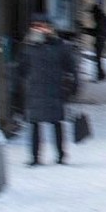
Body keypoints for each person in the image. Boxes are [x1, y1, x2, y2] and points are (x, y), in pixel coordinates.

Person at [19, 13, 75, 166]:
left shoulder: (60, 46)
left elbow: (70, 67)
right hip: (35, 91)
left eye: (42, 26)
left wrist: (71, 86)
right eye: (35, 26)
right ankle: (35, 157)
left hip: (55, 90)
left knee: (56, 124)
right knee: (35, 125)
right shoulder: (28, 47)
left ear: (50, 28)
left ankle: (61, 156)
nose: (39, 29)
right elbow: (21, 69)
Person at [85, 3, 106, 80]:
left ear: (95, 13)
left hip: (100, 41)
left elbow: (96, 32)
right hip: (102, 40)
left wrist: (85, 30)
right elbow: (97, 32)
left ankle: (100, 75)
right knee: (98, 59)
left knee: (98, 59)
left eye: (92, 13)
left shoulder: (100, 20)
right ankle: (101, 74)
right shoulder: (103, 18)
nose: (91, 16)